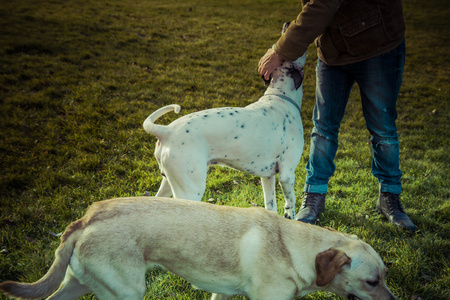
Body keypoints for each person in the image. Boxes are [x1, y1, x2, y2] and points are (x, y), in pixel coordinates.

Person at [258, 0, 416, 231]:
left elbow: (322, 5)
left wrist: (280, 51)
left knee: (383, 129)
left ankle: (389, 197)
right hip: (333, 51)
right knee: (323, 128)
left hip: (378, 45)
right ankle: (314, 195)